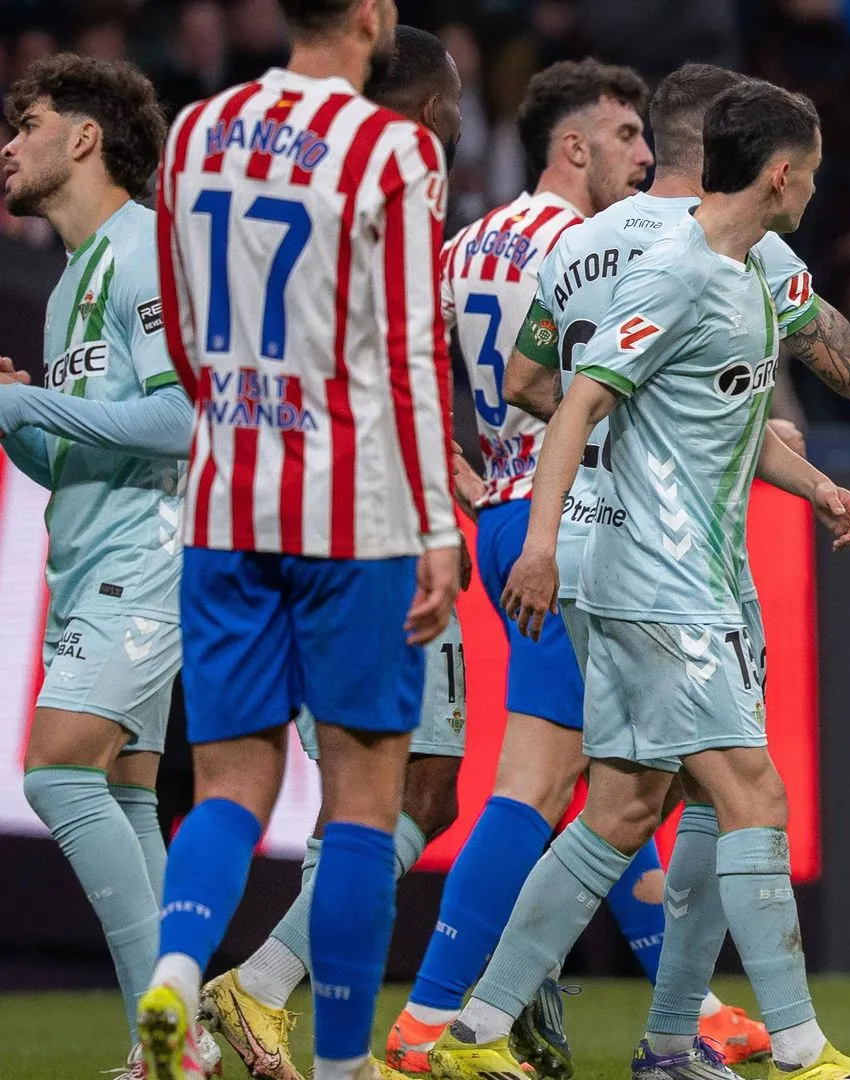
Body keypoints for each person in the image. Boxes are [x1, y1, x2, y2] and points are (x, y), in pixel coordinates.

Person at [398, 60, 850, 1077]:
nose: (637, 153)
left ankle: (498, 1032)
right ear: (773, 171)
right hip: (660, 568)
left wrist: (806, 481)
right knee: (750, 795)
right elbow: (848, 371)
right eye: (810, 172)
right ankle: (799, 1049)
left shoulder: (588, 245)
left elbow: (529, 382)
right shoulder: (708, 268)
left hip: (614, 549)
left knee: (623, 809)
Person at [139, 1, 462, 1078]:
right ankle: (338, 1066)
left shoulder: (194, 131)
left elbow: (185, 334)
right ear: (371, 17)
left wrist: (240, 421)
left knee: (230, 785)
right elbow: (414, 354)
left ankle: (180, 969)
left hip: (224, 505)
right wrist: (434, 528)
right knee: (364, 803)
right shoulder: (394, 147)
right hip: (354, 511)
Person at [380, 55, 692, 1077]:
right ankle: (427, 1022)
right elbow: (600, 392)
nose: (645, 158)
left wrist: (456, 475)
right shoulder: (595, 247)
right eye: (627, 137)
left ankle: (685, 1011)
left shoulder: (462, 243)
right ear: (574, 146)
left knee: (621, 781)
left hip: (507, 513)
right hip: (573, 520)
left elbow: (413, 377)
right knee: (539, 778)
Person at [0, 52, 211, 1080]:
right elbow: (77, 452)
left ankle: (179, 1038)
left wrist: (29, 404)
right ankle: (173, 1042)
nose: (8, 145)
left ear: (83, 137)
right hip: (91, 556)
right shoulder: (71, 281)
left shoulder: (145, 252)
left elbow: (181, 420)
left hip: (154, 552)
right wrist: (20, 425)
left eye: (25, 122)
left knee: (53, 768)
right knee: (127, 798)